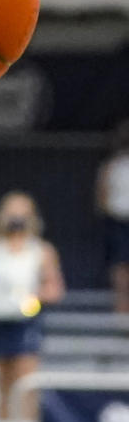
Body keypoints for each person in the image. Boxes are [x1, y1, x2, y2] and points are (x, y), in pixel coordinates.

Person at [0, 191, 64, 420]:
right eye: (12, 213)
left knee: (26, 382)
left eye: (22, 214)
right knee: (2, 382)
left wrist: (32, 299)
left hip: (26, 323)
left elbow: (55, 289)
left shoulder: (42, 251)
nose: (16, 219)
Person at [96, 121, 129, 313]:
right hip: (118, 220)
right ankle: (122, 309)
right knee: (120, 266)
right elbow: (102, 195)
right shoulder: (111, 166)